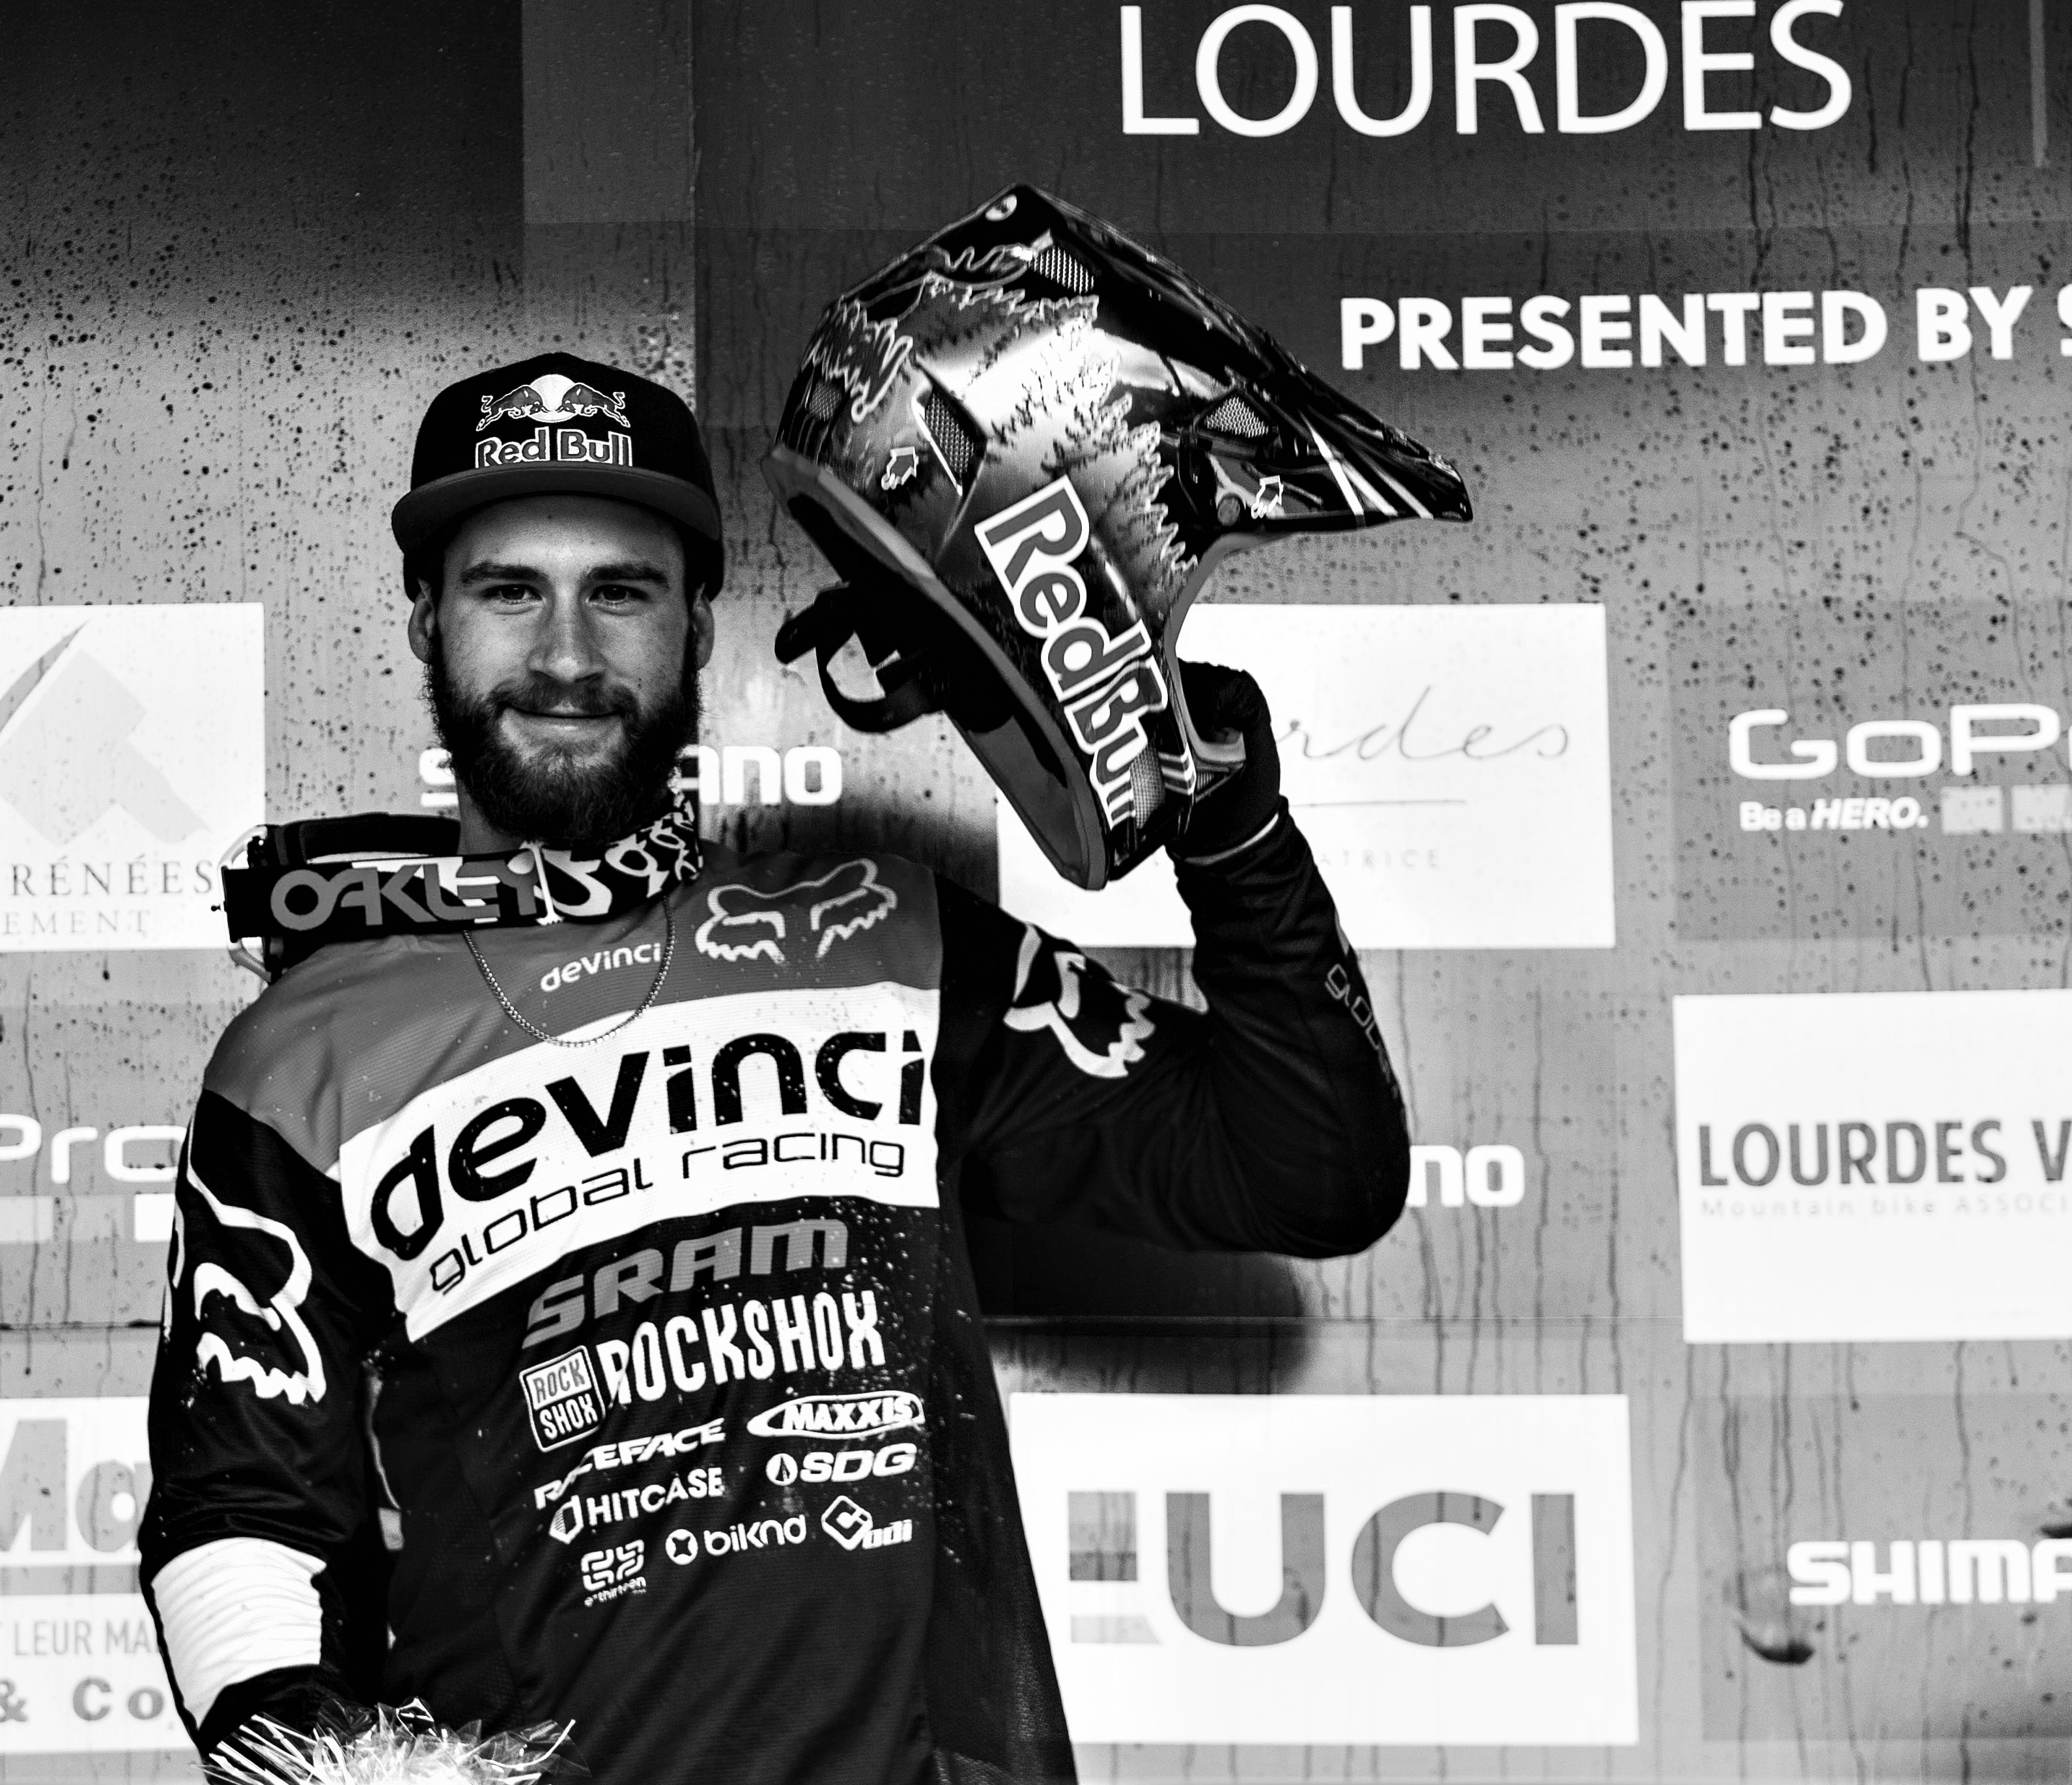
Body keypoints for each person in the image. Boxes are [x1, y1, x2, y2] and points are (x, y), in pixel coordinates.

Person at [137, 339, 1415, 1784]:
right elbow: (240, 1511)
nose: (567, 656)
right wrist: (321, 1764)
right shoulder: (302, 1058)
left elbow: (1311, 1170)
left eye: (622, 591)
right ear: (428, 618)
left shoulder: (884, 936)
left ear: (698, 624)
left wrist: (1231, 827)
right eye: (509, 591)